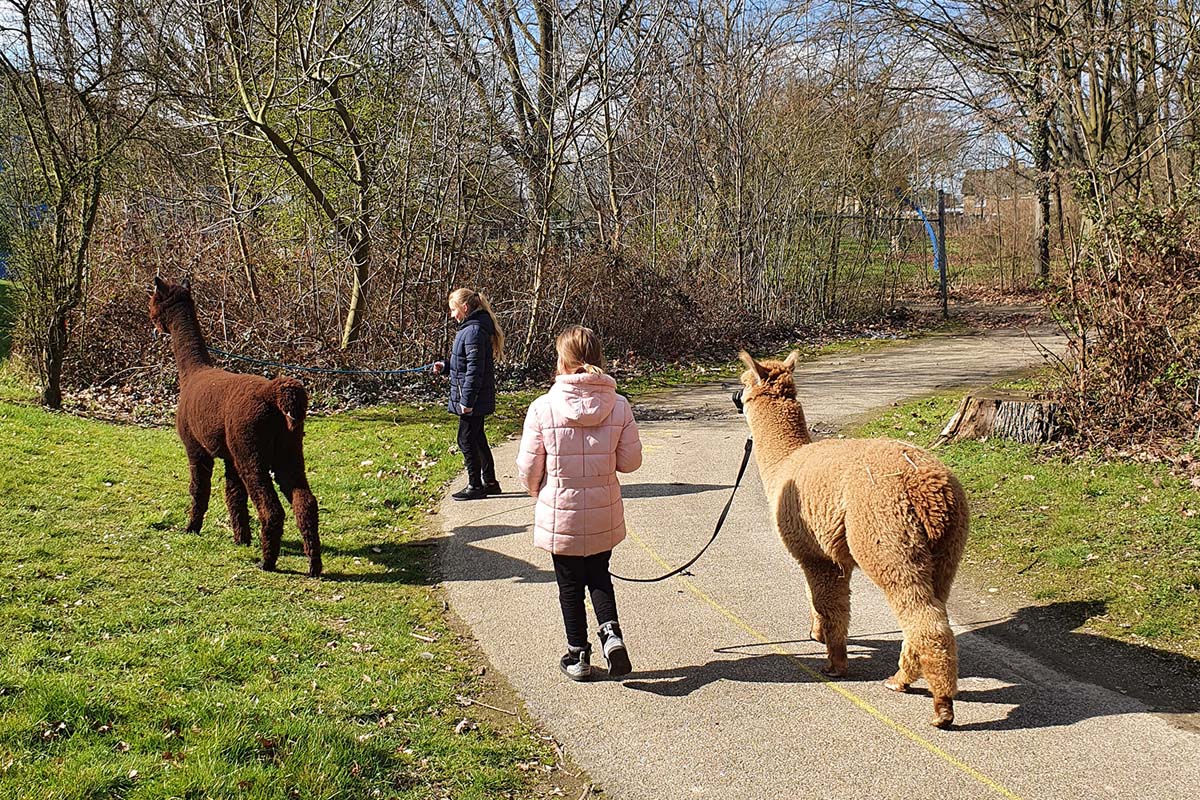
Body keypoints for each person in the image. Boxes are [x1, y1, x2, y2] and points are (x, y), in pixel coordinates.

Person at [515, 325, 643, 680]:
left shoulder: (543, 407)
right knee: (600, 576)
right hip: (603, 508)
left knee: (569, 585)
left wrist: (534, 489)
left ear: (562, 360)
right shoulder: (618, 405)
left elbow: (529, 466)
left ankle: (578, 654)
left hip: (561, 510)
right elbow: (630, 462)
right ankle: (611, 634)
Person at [435, 288, 504, 501]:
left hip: (473, 398)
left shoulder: (473, 331)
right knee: (477, 437)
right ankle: (490, 482)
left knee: (465, 439)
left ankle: (475, 485)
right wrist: (446, 366)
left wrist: (467, 401)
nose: (452, 315)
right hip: (475, 396)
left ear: (464, 308)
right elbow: (465, 365)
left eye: (454, 310)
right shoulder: (472, 329)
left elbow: (475, 370)